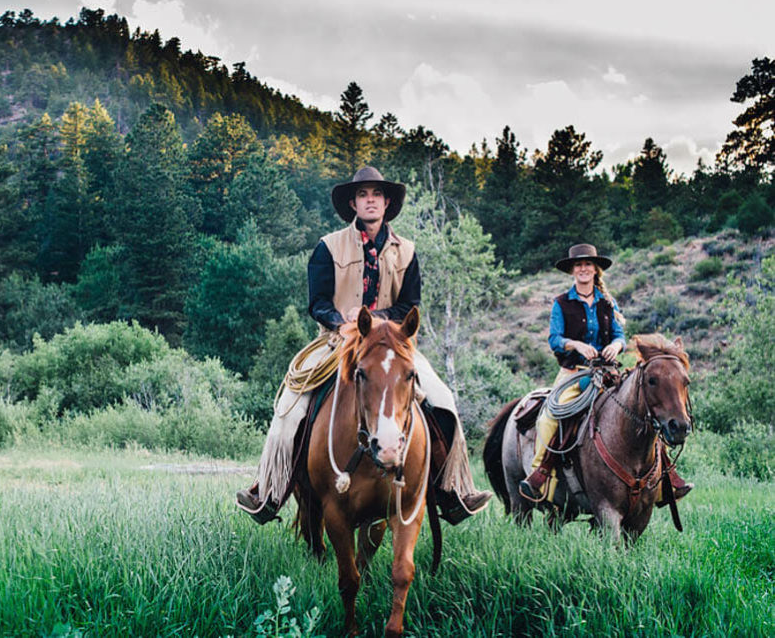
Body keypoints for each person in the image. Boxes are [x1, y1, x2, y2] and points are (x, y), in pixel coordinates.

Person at [235, 166, 493, 524]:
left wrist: (377, 319)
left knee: (443, 400)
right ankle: (269, 490)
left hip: (392, 345)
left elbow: (410, 305)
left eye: (376, 194)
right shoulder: (328, 246)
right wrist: (344, 322)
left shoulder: (408, 252)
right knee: (289, 406)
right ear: (353, 204)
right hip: (337, 341)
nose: (370, 200)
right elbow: (318, 301)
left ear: (387, 202)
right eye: (363, 195)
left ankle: (451, 490)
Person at [519, 244, 692, 504]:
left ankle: (666, 479)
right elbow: (554, 339)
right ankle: (540, 474)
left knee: (646, 412)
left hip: (608, 374)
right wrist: (576, 345)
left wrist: (615, 346)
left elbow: (620, 335)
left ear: (595, 269)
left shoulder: (608, 302)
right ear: (572, 271)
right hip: (573, 373)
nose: (583, 269)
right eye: (578, 265)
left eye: (587, 264)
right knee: (548, 418)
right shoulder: (561, 304)